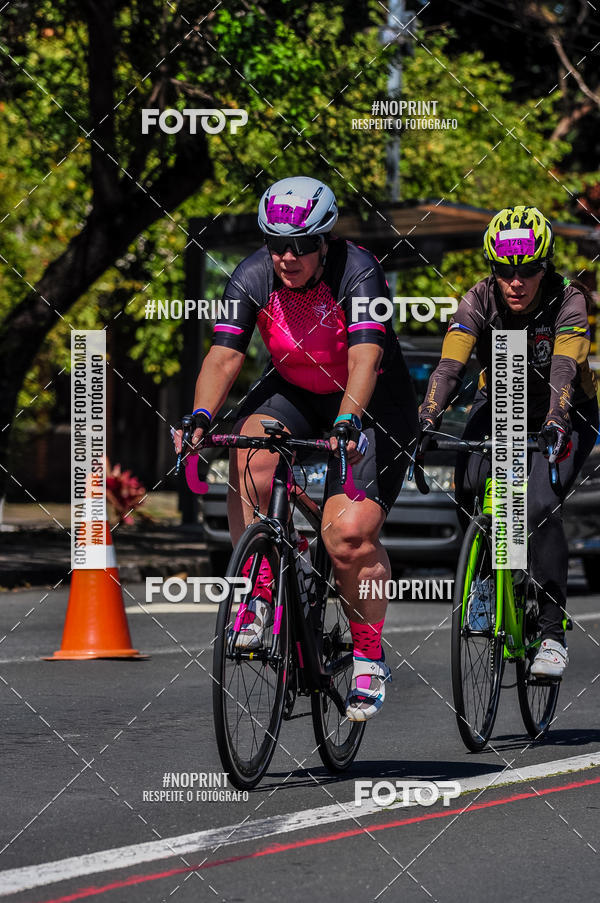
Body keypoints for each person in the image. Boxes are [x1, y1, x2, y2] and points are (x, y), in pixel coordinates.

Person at [174, 175, 418, 720]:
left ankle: (369, 656)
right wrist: (199, 418)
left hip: (369, 399)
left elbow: (364, 360)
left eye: (301, 245)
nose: (287, 256)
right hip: (294, 388)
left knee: (350, 537)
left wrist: (349, 422)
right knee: (247, 450)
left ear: (324, 240)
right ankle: (260, 594)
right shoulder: (254, 274)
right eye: (276, 243)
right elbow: (223, 357)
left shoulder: (360, 274)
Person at [419, 205, 599, 678]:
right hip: (503, 400)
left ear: (547, 266)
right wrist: (428, 415)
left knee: (536, 504)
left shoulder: (569, 299)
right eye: (505, 271)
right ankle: (484, 580)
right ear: (491, 268)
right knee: (470, 478)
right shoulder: (478, 301)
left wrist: (558, 419)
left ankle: (553, 630)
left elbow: (564, 367)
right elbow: (450, 366)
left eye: (529, 271)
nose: (516, 282)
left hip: (568, 411)